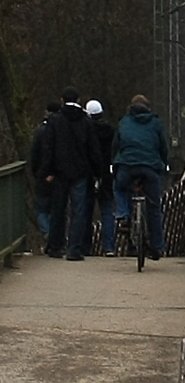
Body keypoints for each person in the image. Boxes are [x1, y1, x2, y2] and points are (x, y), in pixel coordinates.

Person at [40, 86, 102, 261]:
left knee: (58, 209)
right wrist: (97, 171)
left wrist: (47, 171)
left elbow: (48, 148)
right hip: (81, 172)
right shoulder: (86, 121)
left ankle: (55, 246)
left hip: (60, 172)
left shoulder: (55, 121)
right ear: (79, 100)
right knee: (79, 210)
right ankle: (75, 248)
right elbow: (93, 149)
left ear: (61, 100)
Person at [113, 94, 168, 260]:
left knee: (120, 187)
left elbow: (116, 146)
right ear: (148, 108)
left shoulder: (123, 122)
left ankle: (123, 215)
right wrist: (163, 164)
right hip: (150, 168)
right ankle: (157, 247)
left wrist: (115, 162)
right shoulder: (156, 123)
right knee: (154, 208)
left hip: (127, 166)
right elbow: (163, 147)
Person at [83, 99, 116, 256]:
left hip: (88, 173)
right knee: (107, 210)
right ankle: (109, 246)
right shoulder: (110, 131)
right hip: (107, 174)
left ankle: (85, 246)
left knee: (85, 211)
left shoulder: (85, 131)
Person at [29, 101, 61, 242]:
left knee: (41, 209)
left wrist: (38, 173)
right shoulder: (62, 130)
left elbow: (34, 154)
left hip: (42, 174)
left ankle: (47, 232)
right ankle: (55, 235)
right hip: (59, 175)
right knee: (56, 209)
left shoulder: (40, 131)